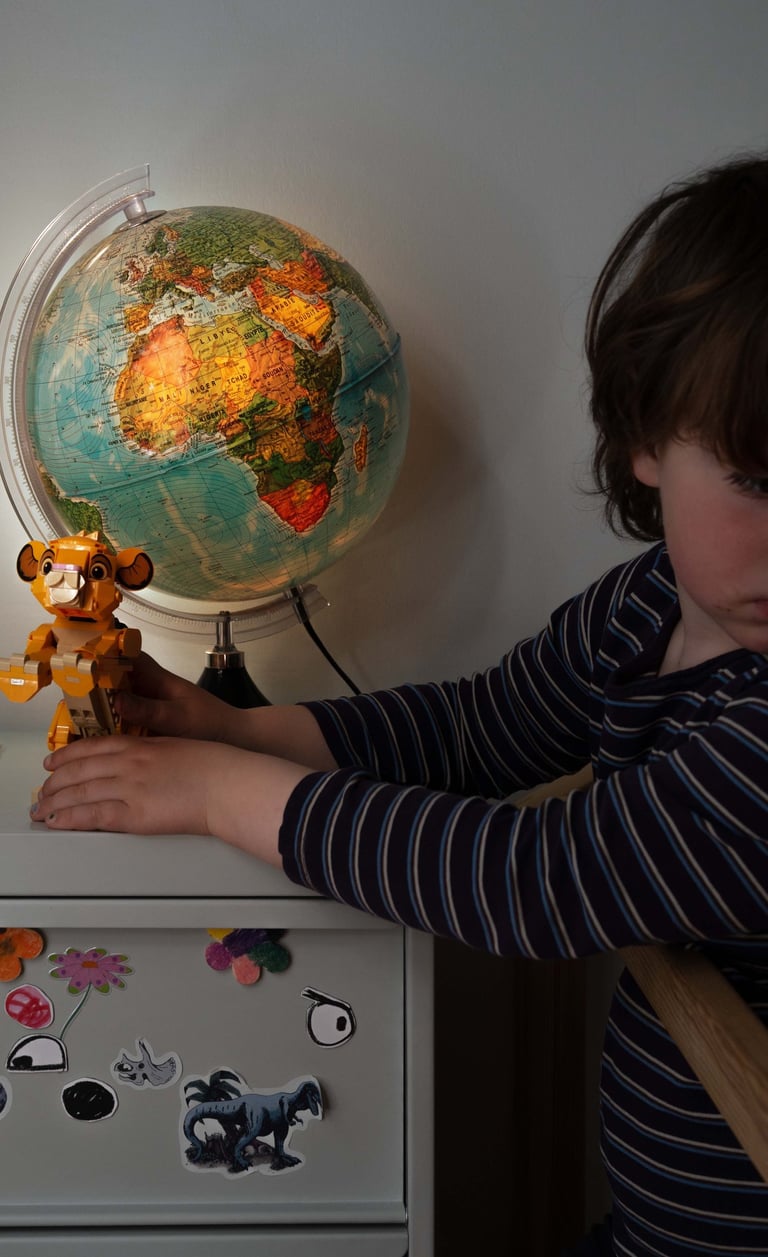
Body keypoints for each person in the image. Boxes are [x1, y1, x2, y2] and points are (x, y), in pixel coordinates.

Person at [30, 154, 768, 1255]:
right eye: (759, 480)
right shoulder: (647, 609)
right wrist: (233, 731)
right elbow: (476, 730)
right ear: (646, 438)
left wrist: (227, 794)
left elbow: (543, 880)